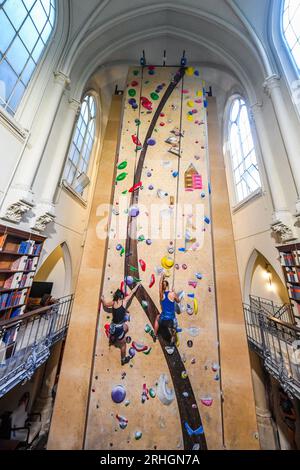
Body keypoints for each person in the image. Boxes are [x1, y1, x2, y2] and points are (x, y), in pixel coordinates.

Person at [101, 283, 140, 365]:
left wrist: (102, 299)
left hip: (112, 326)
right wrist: (137, 285)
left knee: (126, 327)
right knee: (123, 345)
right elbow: (132, 292)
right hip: (118, 329)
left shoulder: (113, 302)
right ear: (121, 296)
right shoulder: (124, 302)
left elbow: (105, 304)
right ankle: (123, 359)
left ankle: (113, 338)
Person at [153, 274, 180, 344]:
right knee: (175, 326)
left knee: (157, 317)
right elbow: (178, 301)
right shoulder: (172, 294)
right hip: (171, 319)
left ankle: (154, 334)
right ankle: (173, 337)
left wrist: (162, 276)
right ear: (168, 286)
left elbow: (159, 285)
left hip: (163, 319)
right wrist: (175, 292)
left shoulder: (161, 294)